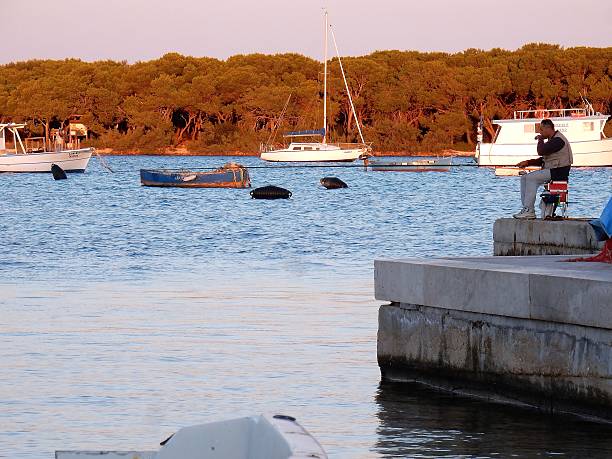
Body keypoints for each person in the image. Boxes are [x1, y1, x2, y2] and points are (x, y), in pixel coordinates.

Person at [513, 118, 573, 219]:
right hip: (553, 170)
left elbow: (541, 151)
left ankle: (529, 210)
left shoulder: (558, 140)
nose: (540, 132)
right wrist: (528, 162)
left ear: (548, 128)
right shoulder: (553, 140)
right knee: (524, 178)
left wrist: (540, 139)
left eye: (541, 129)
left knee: (531, 178)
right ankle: (526, 209)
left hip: (559, 172)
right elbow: (544, 159)